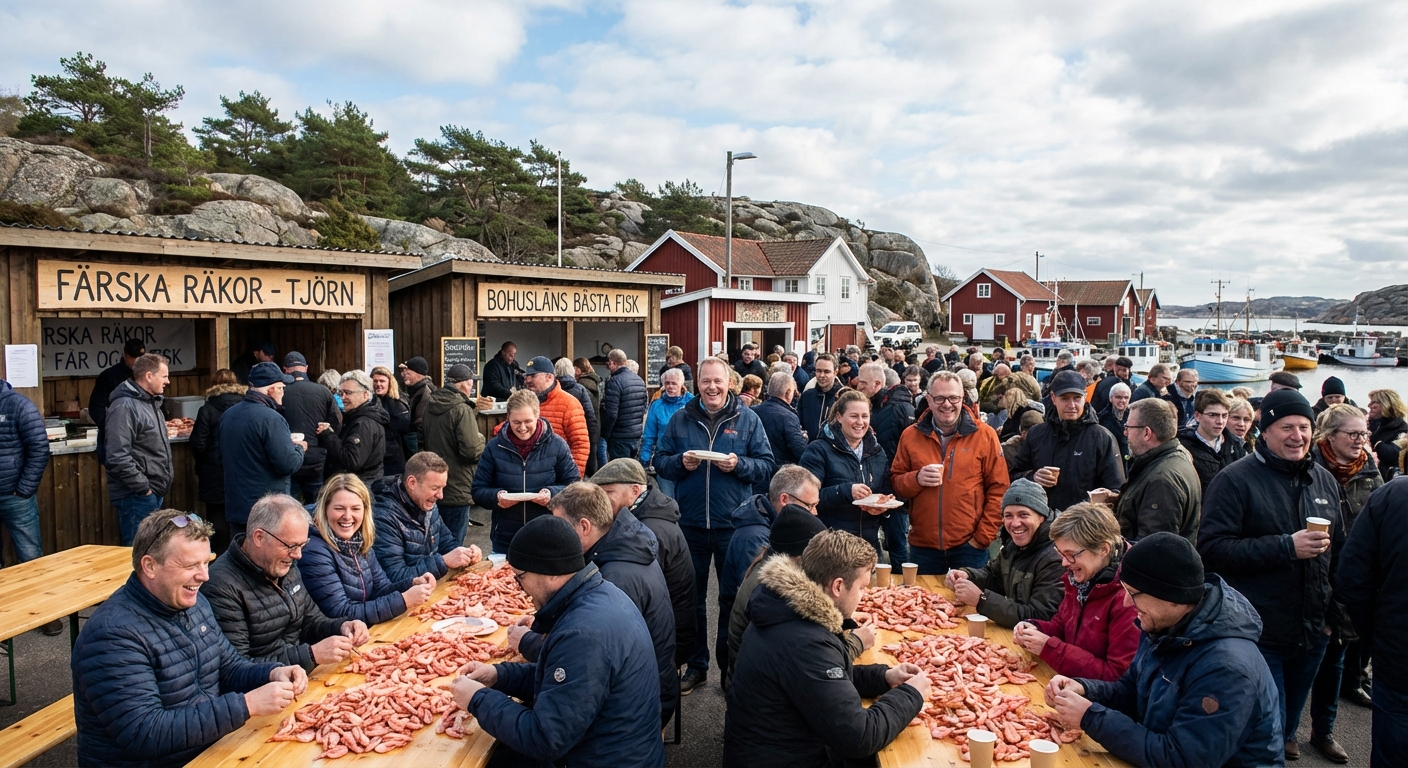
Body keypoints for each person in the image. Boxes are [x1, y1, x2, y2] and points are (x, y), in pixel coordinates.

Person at [71, 509, 307, 767]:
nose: (204, 576)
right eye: (190, 565)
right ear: (149, 566)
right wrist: (246, 705)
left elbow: (228, 667)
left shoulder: (194, 603)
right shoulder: (112, 636)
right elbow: (144, 733)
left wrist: (272, 673)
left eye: (206, 562)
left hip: (207, 748)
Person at [1045, 532, 1283, 768]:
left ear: (1170, 595)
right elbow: (1131, 690)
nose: (1126, 603)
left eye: (1132, 593)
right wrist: (1085, 689)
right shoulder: (1164, 626)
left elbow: (1181, 759)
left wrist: (1090, 717)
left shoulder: (1227, 669)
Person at [1197, 388, 1342, 761]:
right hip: (1258, 631)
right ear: (1265, 431)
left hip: (1311, 630)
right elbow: (1212, 549)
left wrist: (1332, 617)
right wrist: (1285, 547)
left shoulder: (1323, 480)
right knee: (1264, 730)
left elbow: (1340, 551)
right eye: (1287, 427)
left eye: (1304, 427)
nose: (1298, 436)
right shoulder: (1235, 480)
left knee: (1287, 721)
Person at [450, 515, 665, 767]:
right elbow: (561, 681)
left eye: (520, 577)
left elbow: (545, 738)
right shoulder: (602, 593)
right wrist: (498, 675)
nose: (519, 587)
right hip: (615, 749)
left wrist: (477, 699)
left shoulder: (582, 635)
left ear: (549, 573)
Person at [723, 529, 929, 767]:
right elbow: (859, 737)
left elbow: (823, 681)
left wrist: (883, 677)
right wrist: (911, 695)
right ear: (838, 586)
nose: (863, 597)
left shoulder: (786, 608)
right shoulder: (805, 642)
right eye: (862, 588)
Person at [653, 356, 774, 695]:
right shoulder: (681, 419)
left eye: (717, 381)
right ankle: (697, 666)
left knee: (733, 600)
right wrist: (681, 462)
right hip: (690, 524)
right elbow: (660, 462)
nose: (712, 387)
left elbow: (766, 465)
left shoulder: (747, 419)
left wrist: (739, 465)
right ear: (697, 384)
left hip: (733, 526)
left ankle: (730, 668)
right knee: (689, 600)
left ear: (729, 383)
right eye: (706, 381)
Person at [512, 483, 677, 725]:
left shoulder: (615, 575)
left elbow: (585, 654)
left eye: (560, 526)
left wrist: (527, 641)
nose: (555, 535)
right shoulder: (619, 549)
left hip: (635, 711)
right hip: (644, 690)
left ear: (584, 526)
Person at [203, 494, 370, 672]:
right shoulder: (221, 586)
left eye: (302, 545)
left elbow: (311, 620)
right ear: (259, 537)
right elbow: (238, 669)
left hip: (300, 674)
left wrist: (342, 626)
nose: (298, 555)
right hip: (271, 684)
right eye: (291, 546)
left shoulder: (284, 565)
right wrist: (311, 655)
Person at [1306, 404, 1383, 762]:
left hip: (1349, 579)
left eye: (1364, 433)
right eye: (1353, 434)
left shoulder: (1370, 472)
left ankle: (1323, 732)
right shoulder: (1308, 468)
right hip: (1311, 575)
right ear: (1330, 436)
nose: (1360, 440)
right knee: (1301, 662)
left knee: (1335, 661)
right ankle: (1286, 732)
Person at [890, 370, 1009, 574]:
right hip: (923, 547)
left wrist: (981, 538)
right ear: (928, 399)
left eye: (953, 398)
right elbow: (896, 484)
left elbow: (1000, 489)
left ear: (962, 398)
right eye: (940, 398)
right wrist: (916, 478)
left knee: (970, 596)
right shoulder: (910, 436)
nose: (947, 404)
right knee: (923, 595)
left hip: (969, 548)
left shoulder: (985, 435)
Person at [1012, 502, 1139, 682]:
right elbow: (1062, 625)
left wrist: (1049, 648)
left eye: (1071, 554)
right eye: (1060, 553)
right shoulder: (1081, 578)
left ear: (1103, 549)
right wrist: (1035, 628)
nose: (1064, 563)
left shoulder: (1130, 598)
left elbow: (1116, 677)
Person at [591, 459, 696, 670]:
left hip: (664, 640)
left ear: (635, 490)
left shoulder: (647, 532)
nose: (602, 500)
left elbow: (636, 591)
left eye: (609, 492)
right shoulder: (643, 520)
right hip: (665, 634)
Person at [720, 466, 822, 680]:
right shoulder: (756, 538)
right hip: (746, 671)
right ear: (784, 499)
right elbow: (761, 612)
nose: (814, 513)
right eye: (810, 506)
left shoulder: (766, 522)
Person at [298, 473, 437, 628]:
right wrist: (404, 600)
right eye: (339, 508)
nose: (347, 516)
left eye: (355, 509)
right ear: (324, 510)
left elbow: (381, 588)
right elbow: (341, 612)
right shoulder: (314, 551)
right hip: (341, 637)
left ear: (365, 511)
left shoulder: (359, 540)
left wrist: (411, 583)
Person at [1338, 478, 1408, 767]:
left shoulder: (1394, 494)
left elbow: (1352, 576)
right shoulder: (1394, 495)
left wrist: (1375, 633)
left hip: (1397, 656)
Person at [725, 507, 836, 672]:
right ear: (801, 556)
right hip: (758, 677)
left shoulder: (770, 568)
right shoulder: (773, 589)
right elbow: (807, 648)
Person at [472, 389, 580, 554]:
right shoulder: (494, 447)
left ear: (538, 415)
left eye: (528, 421)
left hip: (547, 536)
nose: (522, 428)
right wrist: (496, 497)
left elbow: (574, 486)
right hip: (506, 538)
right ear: (508, 418)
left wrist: (552, 494)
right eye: (516, 422)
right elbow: (478, 490)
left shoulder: (557, 445)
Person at [946, 478, 1063, 628]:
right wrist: (968, 575)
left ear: (1042, 517)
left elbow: (1039, 616)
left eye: (1023, 515)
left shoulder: (1057, 556)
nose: (1015, 523)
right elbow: (995, 577)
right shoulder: (1014, 543)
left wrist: (981, 600)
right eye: (1008, 515)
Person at [1009, 369, 1126, 514]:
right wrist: (1033, 477)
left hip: (1084, 522)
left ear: (1085, 397)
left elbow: (1117, 490)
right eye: (1064, 398)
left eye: (1077, 398)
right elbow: (1014, 475)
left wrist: (1104, 498)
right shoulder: (1036, 434)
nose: (1071, 405)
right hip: (1042, 521)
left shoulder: (1101, 437)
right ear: (1053, 398)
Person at [801, 390, 895, 555]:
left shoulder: (877, 452)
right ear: (839, 417)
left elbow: (885, 489)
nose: (860, 422)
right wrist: (845, 491)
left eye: (864, 416)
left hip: (868, 545)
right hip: (832, 546)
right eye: (854, 416)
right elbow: (804, 499)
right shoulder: (818, 450)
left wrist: (883, 506)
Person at [219, 362, 307, 539]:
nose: (283, 392)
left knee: (240, 552)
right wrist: (299, 448)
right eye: (281, 388)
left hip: (237, 505)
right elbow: (288, 464)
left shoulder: (228, 415)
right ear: (270, 390)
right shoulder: (271, 419)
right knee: (269, 555)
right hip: (267, 512)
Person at [371, 451, 481, 584]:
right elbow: (394, 576)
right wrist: (443, 561)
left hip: (430, 587)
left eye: (442, 488)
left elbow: (446, 542)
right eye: (435, 488)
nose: (440, 495)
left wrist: (466, 554)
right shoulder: (384, 517)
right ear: (412, 483)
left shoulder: (427, 504)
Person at [0, 374, 53, 632]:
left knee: (30, 556)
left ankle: (44, 613)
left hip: (15, 497)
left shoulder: (19, 405)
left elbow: (40, 448)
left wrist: (24, 489)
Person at [104, 353, 173, 546]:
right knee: (136, 552)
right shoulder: (124, 406)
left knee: (150, 550)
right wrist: (144, 489)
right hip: (137, 497)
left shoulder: (151, 403)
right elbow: (117, 456)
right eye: (164, 376)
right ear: (149, 376)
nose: (168, 381)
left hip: (153, 492)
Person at [1113, 398, 1202, 544]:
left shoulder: (1162, 481)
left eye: (1128, 427)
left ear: (1146, 433)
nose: (1125, 433)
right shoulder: (1175, 457)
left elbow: (1153, 547)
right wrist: (1117, 501)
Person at [423, 363, 485, 546]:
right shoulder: (461, 409)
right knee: (454, 545)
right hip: (458, 485)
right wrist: (482, 440)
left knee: (436, 541)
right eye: (470, 383)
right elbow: (471, 451)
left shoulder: (430, 405)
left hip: (434, 483)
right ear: (462, 383)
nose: (472, 387)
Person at [865, 365, 916, 564]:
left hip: (893, 485)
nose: (858, 386)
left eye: (863, 383)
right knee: (893, 541)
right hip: (885, 484)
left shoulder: (892, 408)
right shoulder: (880, 406)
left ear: (878, 383)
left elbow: (895, 450)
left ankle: (899, 579)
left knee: (896, 541)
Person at [190, 369, 244, 553]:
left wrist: (203, 464)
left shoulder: (207, 409)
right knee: (240, 520)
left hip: (213, 472)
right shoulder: (245, 406)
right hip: (240, 471)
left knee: (216, 521)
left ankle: (218, 559)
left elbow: (198, 444)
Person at [281, 351, 341, 504]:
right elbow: (337, 421)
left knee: (289, 503)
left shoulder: (280, 392)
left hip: (288, 455)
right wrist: (325, 436)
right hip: (316, 456)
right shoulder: (323, 391)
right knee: (316, 502)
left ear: (285, 369)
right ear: (306, 368)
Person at [318, 369, 388, 486]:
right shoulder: (354, 417)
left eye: (348, 393)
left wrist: (328, 435)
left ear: (365, 395)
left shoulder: (364, 423)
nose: (343, 397)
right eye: (341, 393)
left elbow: (352, 460)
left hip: (358, 487)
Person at [523, 356, 589, 475]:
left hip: (557, 475)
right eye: (526, 376)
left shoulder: (569, 404)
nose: (527, 380)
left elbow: (580, 444)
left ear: (549, 377)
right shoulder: (525, 403)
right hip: (529, 475)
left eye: (533, 376)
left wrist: (573, 478)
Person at [1177, 388, 1247, 498]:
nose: (1220, 421)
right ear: (1197, 416)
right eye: (1213, 415)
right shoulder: (1183, 447)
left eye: (1224, 415)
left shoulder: (1236, 445)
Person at [88, 337, 144, 466]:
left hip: (142, 438)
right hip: (115, 438)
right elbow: (96, 408)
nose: (137, 361)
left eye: (140, 358)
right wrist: (112, 428)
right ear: (125, 355)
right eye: (134, 357)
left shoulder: (147, 376)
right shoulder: (108, 376)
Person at [751, 373, 809, 495]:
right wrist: (804, 439)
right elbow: (799, 450)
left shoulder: (753, 411)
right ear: (788, 393)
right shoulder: (788, 416)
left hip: (755, 474)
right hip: (778, 478)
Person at [641, 368, 694, 497]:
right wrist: (644, 459)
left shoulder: (693, 403)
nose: (670, 387)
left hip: (688, 460)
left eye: (674, 383)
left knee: (688, 500)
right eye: (667, 383)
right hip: (665, 460)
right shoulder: (657, 406)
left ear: (682, 384)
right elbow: (649, 435)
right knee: (668, 500)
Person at [555, 357, 601, 476]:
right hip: (578, 438)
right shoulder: (580, 390)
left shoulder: (551, 391)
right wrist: (593, 440)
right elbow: (591, 417)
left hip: (557, 442)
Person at [601, 348, 648, 461]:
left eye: (608, 363)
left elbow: (611, 414)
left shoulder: (615, 381)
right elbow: (643, 408)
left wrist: (605, 434)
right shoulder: (640, 380)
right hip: (636, 434)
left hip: (619, 436)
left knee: (620, 469)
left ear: (612, 362)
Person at [370, 366, 412, 477]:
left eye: (382, 381)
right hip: (374, 456)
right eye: (375, 381)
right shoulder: (369, 402)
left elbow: (403, 428)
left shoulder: (399, 404)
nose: (378, 384)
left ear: (390, 383)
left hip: (394, 457)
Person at [799, 353, 844, 442]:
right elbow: (799, 425)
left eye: (826, 372)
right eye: (819, 371)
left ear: (835, 372)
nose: (822, 375)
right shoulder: (806, 396)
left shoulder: (844, 398)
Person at [1367, 388, 1406, 481]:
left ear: (1386, 404)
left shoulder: (1400, 427)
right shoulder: (1367, 423)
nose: (1369, 405)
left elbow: (1394, 455)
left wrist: (1378, 444)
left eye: (1374, 402)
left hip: (1387, 478)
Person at [397, 356, 435, 452]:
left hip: (418, 443)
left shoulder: (425, 392)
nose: (403, 374)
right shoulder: (415, 389)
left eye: (408, 372)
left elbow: (421, 423)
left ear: (418, 373)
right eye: (403, 372)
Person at [1099, 381, 1132, 467]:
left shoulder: (1133, 416)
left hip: (1129, 462)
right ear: (1111, 398)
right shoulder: (1101, 419)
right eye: (1118, 397)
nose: (1122, 401)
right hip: (1110, 463)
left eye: (1126, 398)